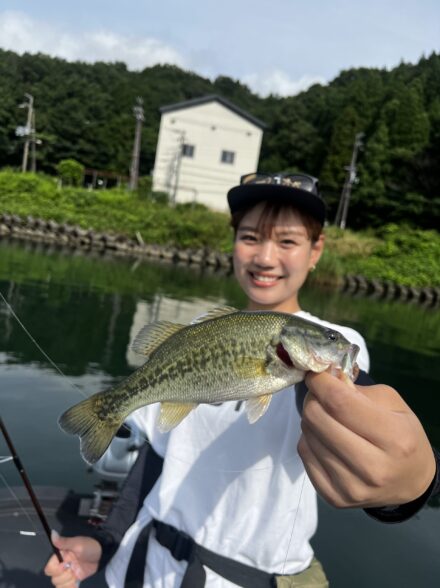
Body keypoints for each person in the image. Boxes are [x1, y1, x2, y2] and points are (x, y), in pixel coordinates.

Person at [45, 172, 439, 588]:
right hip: (144, 565)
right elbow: (157, 457)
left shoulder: (339, 344)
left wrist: (414, 487)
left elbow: (362, 417)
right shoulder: (197, 330)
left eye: (287, 241)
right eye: (250, 237)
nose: (265, 258)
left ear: (316, 250)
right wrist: (106, 542)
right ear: (232, 243)